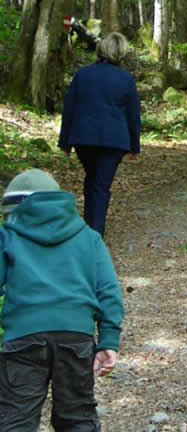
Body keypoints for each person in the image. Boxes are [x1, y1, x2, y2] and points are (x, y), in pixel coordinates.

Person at [0, 169, 124, 431]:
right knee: (77, 416)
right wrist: (108, 340)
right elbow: (109, 291)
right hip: (75, 336)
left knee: (16, 417)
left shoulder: (7, 236)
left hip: (23, 338)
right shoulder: (89, 237)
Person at [58, 32, 141, 238]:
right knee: (101, 185)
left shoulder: (82, 74)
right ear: (121, 53)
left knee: (92, 180)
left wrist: (65, 141)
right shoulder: (126, 79)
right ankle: (95, 234)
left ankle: (89, 228)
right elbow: (133, 114)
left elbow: (69, 108)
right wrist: (134, 145)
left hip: (84, 139)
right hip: (114, 141)